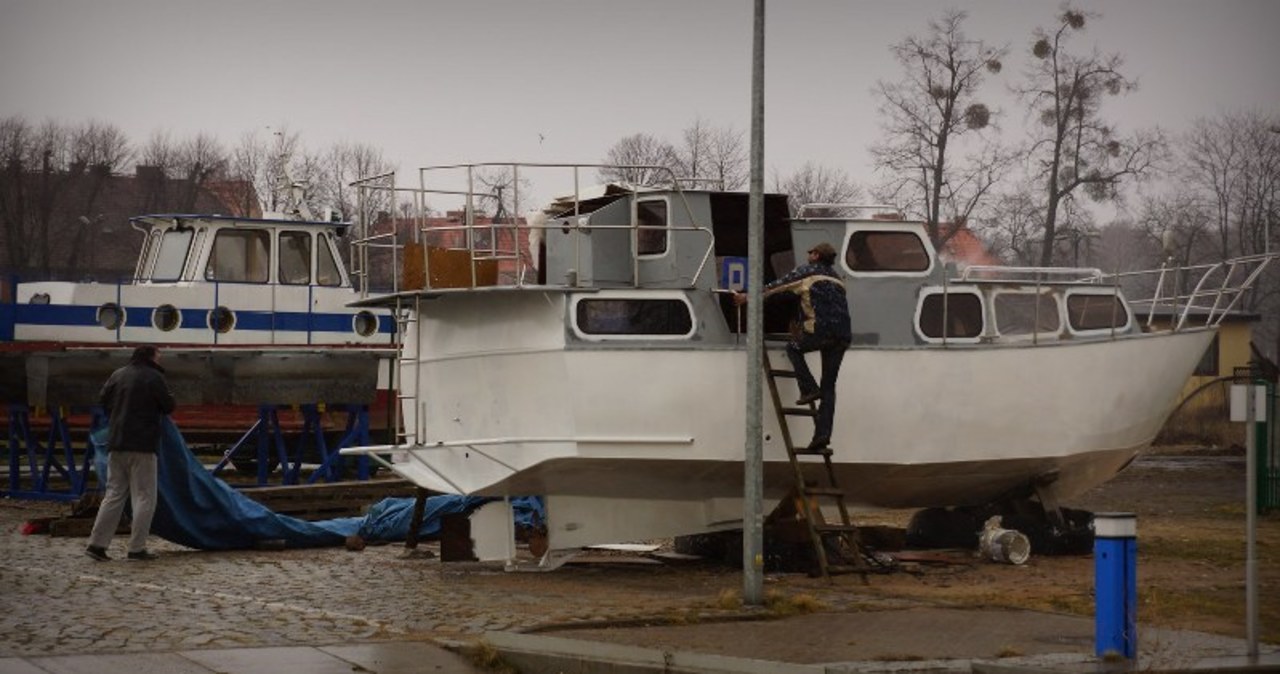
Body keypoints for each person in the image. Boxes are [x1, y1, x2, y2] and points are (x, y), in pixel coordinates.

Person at [734, 242, 852, 450]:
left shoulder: (807, 272)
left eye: (811, 252)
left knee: (794, 348)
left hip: (820, 330)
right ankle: (822, 436)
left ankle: (808, 388)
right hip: (842, 336)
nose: (808, 255)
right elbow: (814, 300)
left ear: (816, 255)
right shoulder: (837, 279)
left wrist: (747, 297)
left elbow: (777, 287)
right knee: (829, 388)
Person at [85, 345, 176, 561]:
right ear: (152, 357)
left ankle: (97, 544)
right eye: (159, 357)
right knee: (144, 496)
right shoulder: (154, 377)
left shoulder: (118, 374)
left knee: (114, 494)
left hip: (116, 442)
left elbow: (104, 400)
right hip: (143, 445)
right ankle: (136, 547)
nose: (160, 361)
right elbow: (168, 405)